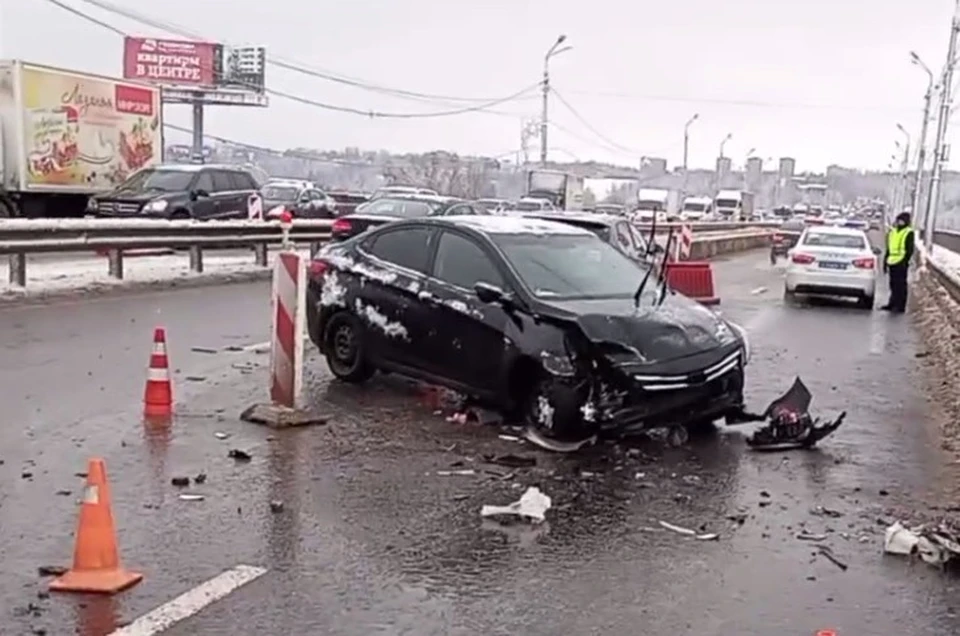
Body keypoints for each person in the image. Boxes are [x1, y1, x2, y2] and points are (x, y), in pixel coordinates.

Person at [881, 212, 915, 313]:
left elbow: (909, 249)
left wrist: (905, 261)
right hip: (892, 261)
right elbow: (889, 248)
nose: (899, 222)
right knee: (893, 284)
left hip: (901, 262)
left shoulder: (908, 232)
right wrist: (885, 261)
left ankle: (900, 306)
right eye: (898, 220)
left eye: (902, 220)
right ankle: (892, 303)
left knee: (901, 285)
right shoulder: (893, 232)